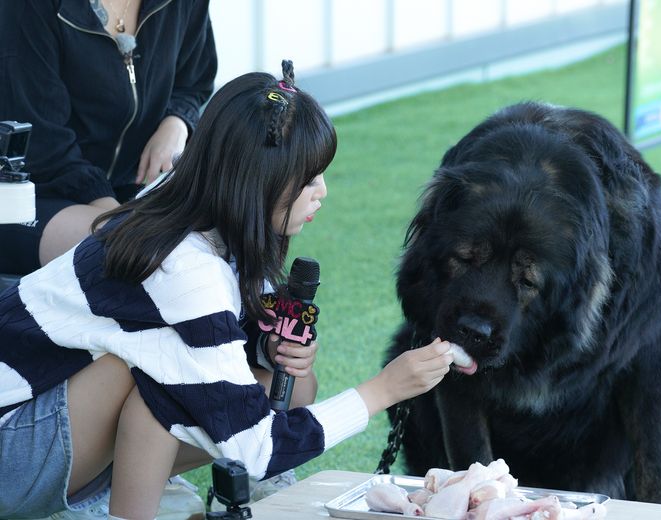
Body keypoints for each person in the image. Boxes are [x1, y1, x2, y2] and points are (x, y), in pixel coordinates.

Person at [0, 63, 455, 520]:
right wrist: (384, 390)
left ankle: (134, 500)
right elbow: (259, 450)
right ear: (258, 182)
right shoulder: (187, 269)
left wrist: (265, 345)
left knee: (280, 385)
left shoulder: (189, 201)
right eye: (309, 178)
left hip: (41, 426)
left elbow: (284, 395)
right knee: (152, 369)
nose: (323, 192)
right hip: (11, 453)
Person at [0, 0, 217, 275]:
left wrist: (176, 122)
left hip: (130, 190)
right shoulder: (29, 7)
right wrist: (117, 214)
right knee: (144, 252)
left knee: (220, 241)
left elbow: (194, 78)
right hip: (30, 194)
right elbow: (44, 143)